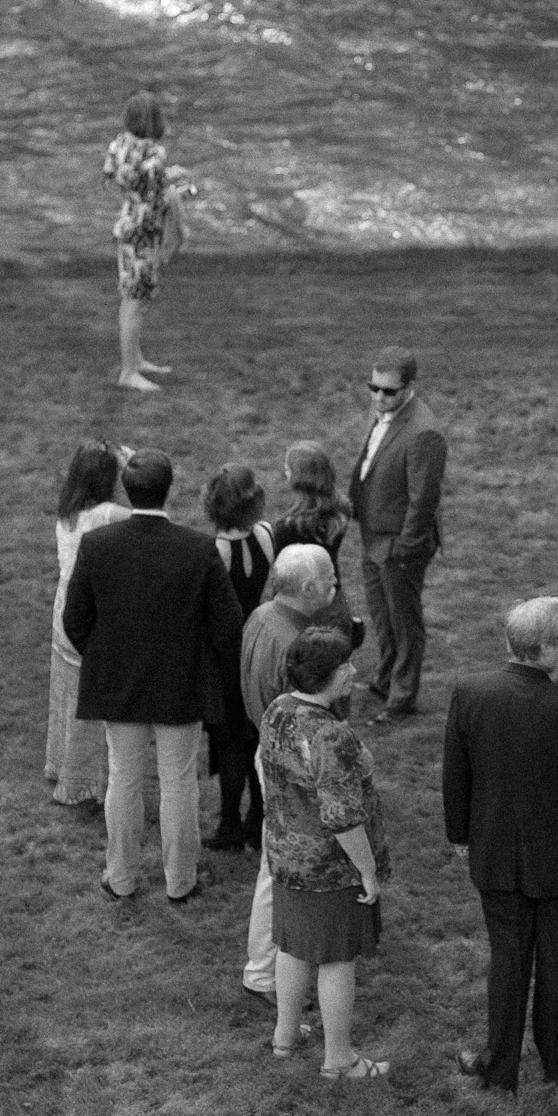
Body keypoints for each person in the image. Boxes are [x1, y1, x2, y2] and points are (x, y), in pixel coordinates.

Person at [444, 597, 558, 1091]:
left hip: (495, 853)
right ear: (542, 647)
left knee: (508, 960)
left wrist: (460, 835)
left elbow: (456, 774)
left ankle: (499, 1068)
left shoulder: (471, 693)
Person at [62, 448, 244, 903]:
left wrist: (105, 658)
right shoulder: (198, 548)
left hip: (120, 684)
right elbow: (228, 627)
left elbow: (75, 619)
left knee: (123, 777)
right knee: (179, 781)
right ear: (170, 489)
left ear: (127, 489)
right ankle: (180, 881)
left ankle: (120, 877)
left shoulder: (98, 545)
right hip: (180, 684)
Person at [260, 629, 391, 1080]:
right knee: (337, 958)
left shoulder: (278, 709)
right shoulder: (329, 735)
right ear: (325, 676)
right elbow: (342, 818)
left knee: (293, 946)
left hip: (284, 855)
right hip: (329, 867)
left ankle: (285, 1035)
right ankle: (339, 1059)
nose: (354, 671)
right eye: (345, 666)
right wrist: (368, 872)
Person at [239, 544, 343, 1003]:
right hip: (290, 765)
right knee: (277, 868)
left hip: (266, 747)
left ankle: (271, 965)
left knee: (274, 862)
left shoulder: (260, 616)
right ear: (307, 588)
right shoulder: (296, 645)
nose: (337, 586)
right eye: (331, 579)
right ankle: (264, 971)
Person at [350, 346, 447, 724]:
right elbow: (370, 465)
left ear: (409, 387)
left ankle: (402, 697)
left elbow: (423, 500)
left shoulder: (425, 433)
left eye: (388, 391)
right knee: (381, 615)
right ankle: (385, 679)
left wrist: (405, 549)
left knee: (404, 621)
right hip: (373, 535)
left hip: (397, 543)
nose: (377, 397)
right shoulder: (384, 413)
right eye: (373, 387)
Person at [47, 442, 130, 807]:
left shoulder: (68, 514)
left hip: (65, 609)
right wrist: (129, 468)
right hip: (94, 612)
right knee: (91, 699)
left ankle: (62, 764)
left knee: (68, 692)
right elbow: (150, 518)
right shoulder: (111, 515)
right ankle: (84, 781)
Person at [203, 463, 276, 852]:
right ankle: (258, 818)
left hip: (227, 657)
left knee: (230, 741)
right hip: (259, 648)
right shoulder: (266, 535)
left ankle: (230, 823)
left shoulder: (215, 551)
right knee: (256, 736)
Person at [103, 89, 184, 391]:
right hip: (145, 232)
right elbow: (157, 186)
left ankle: (134, 360)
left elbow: (116, 178)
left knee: (130, 298)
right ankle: (128, 372)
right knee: (137, 302)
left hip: (126, 225)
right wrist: (177, 176)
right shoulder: (153, 152)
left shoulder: (119, 144)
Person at [269, 442, 356, 647]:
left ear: (299, 479)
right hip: (331, 596)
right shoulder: (340, 512)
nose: (286, 473)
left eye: (289, 469)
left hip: (297, 608)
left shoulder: (287, 528)